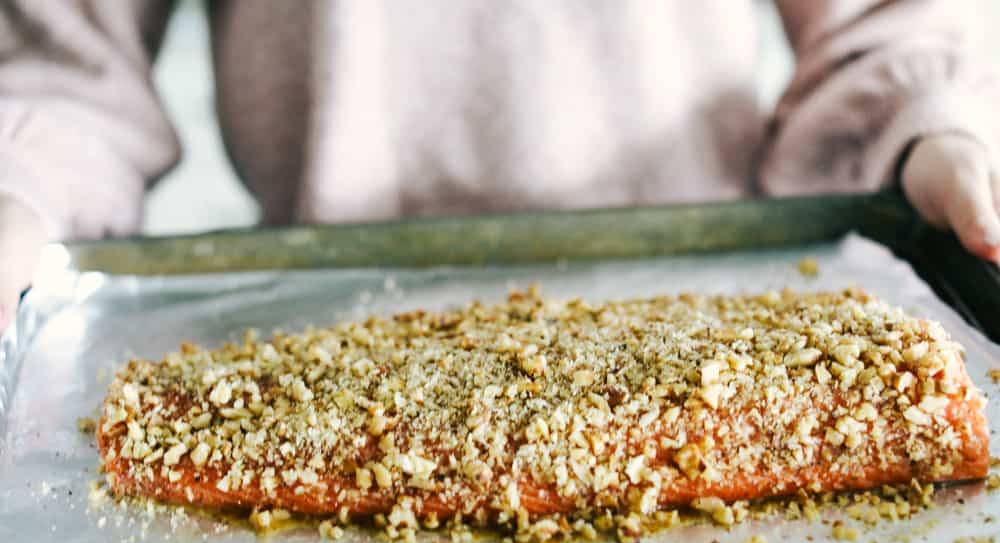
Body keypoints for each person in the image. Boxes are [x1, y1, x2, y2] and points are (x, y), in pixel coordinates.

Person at [1, 0, 999, 333]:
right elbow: (67, 66)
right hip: (322, 321)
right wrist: (17, 192)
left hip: (706, 314)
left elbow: (882, 24)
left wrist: (933, 129)